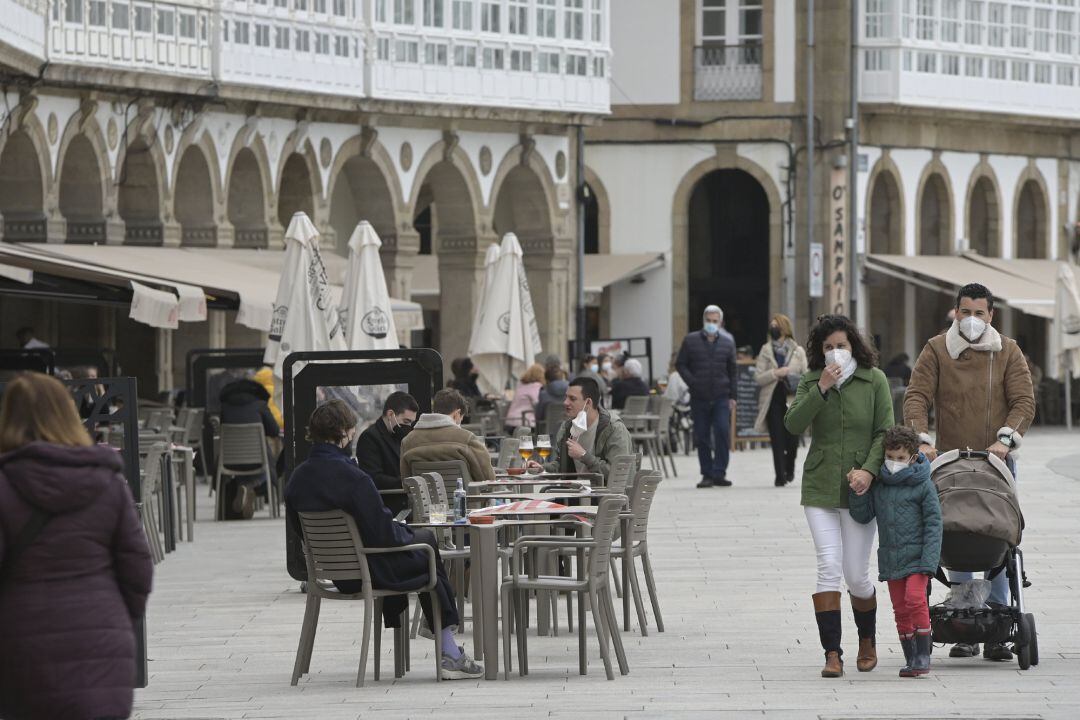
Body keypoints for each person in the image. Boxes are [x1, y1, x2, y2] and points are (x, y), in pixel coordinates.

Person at [284, 400, 482, 680]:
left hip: (334, 573)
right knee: (426, 545)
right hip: (369, 569)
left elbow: (298, 528)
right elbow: (384, 535)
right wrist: (403, 530)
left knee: (423, 549)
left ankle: (440, 636)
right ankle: (448, 648)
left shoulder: (297, 478)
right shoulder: (353, 478)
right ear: (345, 432)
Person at [0, 372, 153, 719]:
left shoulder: (5, 485)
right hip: (103, 638)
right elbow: (138, 567)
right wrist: (117, 617)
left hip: (23, 642)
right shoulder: (108, 481)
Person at [903, 282, 1035, 661]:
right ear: (955, 312)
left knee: (996, 535)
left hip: (996, 462)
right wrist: (922, 439)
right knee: (956, 532)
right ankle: (963, 624)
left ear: (991, 316)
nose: (972, 319)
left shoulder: (1007, 350)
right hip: (949, 462)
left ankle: (995, 626)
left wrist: (1006, 440)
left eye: (980, 313)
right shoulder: (936, 349)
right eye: (966, 311)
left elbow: (1024, 400)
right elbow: (916, 395)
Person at [784, 314, 894, 678]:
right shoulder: (812, 380)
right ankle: (832, 652)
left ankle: (867, 640)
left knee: (856, 575)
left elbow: (885, 432)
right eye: (828, 347)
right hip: (819, 486)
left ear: (854, 347)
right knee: (828, 566)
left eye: (841, 346)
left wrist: (870, 470)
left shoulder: (874, 380)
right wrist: (822, 389)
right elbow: (793, 424)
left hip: (860, 489)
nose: (836, 352)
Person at [848, 426, 942, 678]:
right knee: (900, 608)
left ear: (912, 457)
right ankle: (911, 657)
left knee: (915, 599)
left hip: (919, 558)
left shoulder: (924, 485)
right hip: (891, 559)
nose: (894, 463)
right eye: (890, 457)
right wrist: (857, 491)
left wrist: (929, 561)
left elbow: (934, 523)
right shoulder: (880, 485)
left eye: (900, 458)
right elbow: (863, 515)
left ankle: (923, 655)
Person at [676, 304, 737, 488]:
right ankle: (707, 474)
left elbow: (733, 370)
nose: (711, 324)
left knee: (722, 432)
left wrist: (733, 396)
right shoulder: (690, 340)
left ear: (720, 322)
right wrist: (692, 382)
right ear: (704, 321)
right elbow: (681, 364)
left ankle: (720, 472)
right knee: (701, 436)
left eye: (715, 321)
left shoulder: (727, 342)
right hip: (699, 395)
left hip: (721, 395)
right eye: (709, 320)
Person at [530, 376, 632, 480]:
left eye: (572, 398)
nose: (565, 402)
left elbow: (618, 474)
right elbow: (562, 466)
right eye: (566, 397)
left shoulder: (614, 429)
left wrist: (584, 455)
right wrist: (542, 468)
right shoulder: (568, 427)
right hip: (575, 493)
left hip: (605, 495)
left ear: (588, 403)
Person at [753, 313, 807, 487]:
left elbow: (806, 375)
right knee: (777, 439)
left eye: (776, 325)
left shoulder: (798, 351)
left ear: (784, 328)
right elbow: (758, 377)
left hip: (792, 399)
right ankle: (780, 476)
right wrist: (775, 373)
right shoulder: (765, 350)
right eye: (772, 325)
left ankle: (789, 466)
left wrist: (790, 374)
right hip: (772, 399)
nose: (773, 328)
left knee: (792, 439)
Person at [400, 388, 495, 483]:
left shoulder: (407, 441)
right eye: (461, 419)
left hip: (424, 497)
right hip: (463, 497)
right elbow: (488, 480)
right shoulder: (467, 439)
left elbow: (407, 483)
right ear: (456, 414)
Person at [219, 375, 280, 519]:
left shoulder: (225, 407)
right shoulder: (260, 405)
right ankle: (250, 485)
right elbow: (275, 431)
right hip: (257, 460)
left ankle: (244, 486)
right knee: (267, 466)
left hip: (229, 461)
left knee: (248, 467)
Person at [355, 391, 419, 517]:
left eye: (411, 423)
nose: (408, 427)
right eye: (406, 421)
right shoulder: (370, 438)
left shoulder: (401, 436)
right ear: (391, 414)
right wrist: (406, 482)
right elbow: (373, 477)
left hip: (406, 505)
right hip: (387, 507)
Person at [505, 363, 545, 431]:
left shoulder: (520, 385)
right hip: (524, 423)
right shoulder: (536, 387)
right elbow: (538, 404)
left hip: (510, 421)